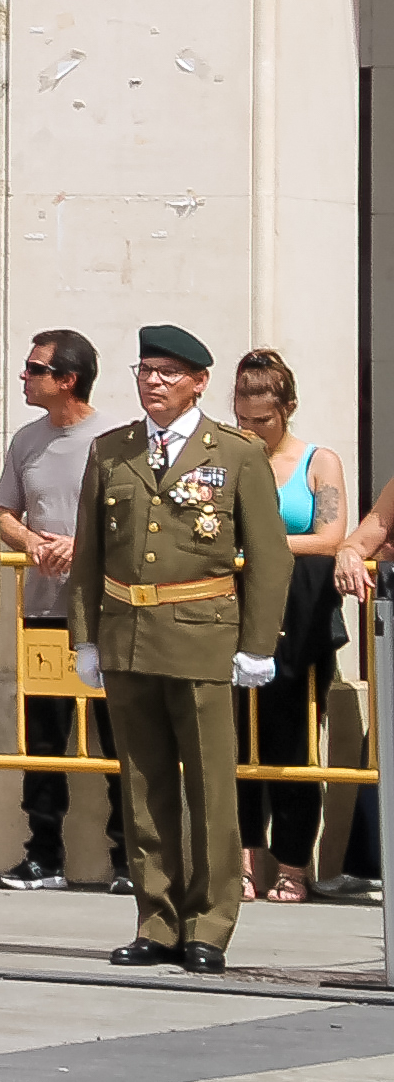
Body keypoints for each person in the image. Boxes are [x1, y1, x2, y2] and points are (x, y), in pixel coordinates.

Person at [74, 325, 291, 972]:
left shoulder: (236, 453)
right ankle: (158, 919)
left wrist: (256, 644)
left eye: (169, 373)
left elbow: (271, 558)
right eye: (146, 370)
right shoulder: (112, 451)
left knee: (210, 791)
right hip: (128, 638)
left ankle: (210, 924)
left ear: (199, 382)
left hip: (202, 636)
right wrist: (84, 637)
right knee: (142, 791)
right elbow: (89, 553)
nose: (154, 382)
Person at [223, 348, 355, 903]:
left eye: (264, 421)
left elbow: (328, 538)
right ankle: (249, 859)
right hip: (235, 605)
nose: (253, 431)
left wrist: (262, 547)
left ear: (289, 410)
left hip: (300, 610)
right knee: (234, 739)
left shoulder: (317, 462)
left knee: (292, 738)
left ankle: (294, 863)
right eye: (242, 420)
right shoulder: (226, 457)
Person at [0, 328, 118, 890]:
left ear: (67, 380)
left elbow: (132, 522)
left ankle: (129, 859)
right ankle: (43, 854)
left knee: (119, 736)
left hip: (108, 611)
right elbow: (1, 512)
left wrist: (82, 546)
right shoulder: (25, 440)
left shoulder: (115, 439)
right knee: (44, 737)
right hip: (42, 609)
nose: (24, 376)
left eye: (34, 369)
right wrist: (29, 542)